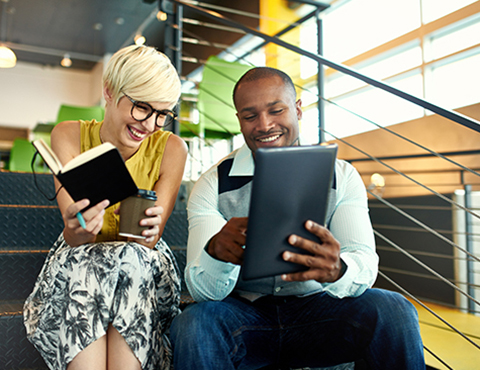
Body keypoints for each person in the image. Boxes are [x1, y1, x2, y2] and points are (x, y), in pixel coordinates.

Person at [169, 67, 425, 370]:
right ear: (239, 120)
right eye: (250, 117)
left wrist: (338, 269)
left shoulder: (340, 176)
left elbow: (365, 263)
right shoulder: (212, 183)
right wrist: (216, 253)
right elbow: (202, 292)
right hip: (245, 316)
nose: (264, 125)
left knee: (394, 309)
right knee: (194, 322)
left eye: (276, 110)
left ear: (298, 109)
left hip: (320, 311)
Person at [24, 45, 187, 370]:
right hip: (81, 259)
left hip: (142, 263)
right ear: (109, 91)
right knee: (93, 261)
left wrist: (149, 227)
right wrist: (77, 227)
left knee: (128, 258)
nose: (151, 124)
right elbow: (75, 238)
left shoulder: (171, 148)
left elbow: (148, 243)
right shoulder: (69, 134)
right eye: (142, 108)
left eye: (163, 114)